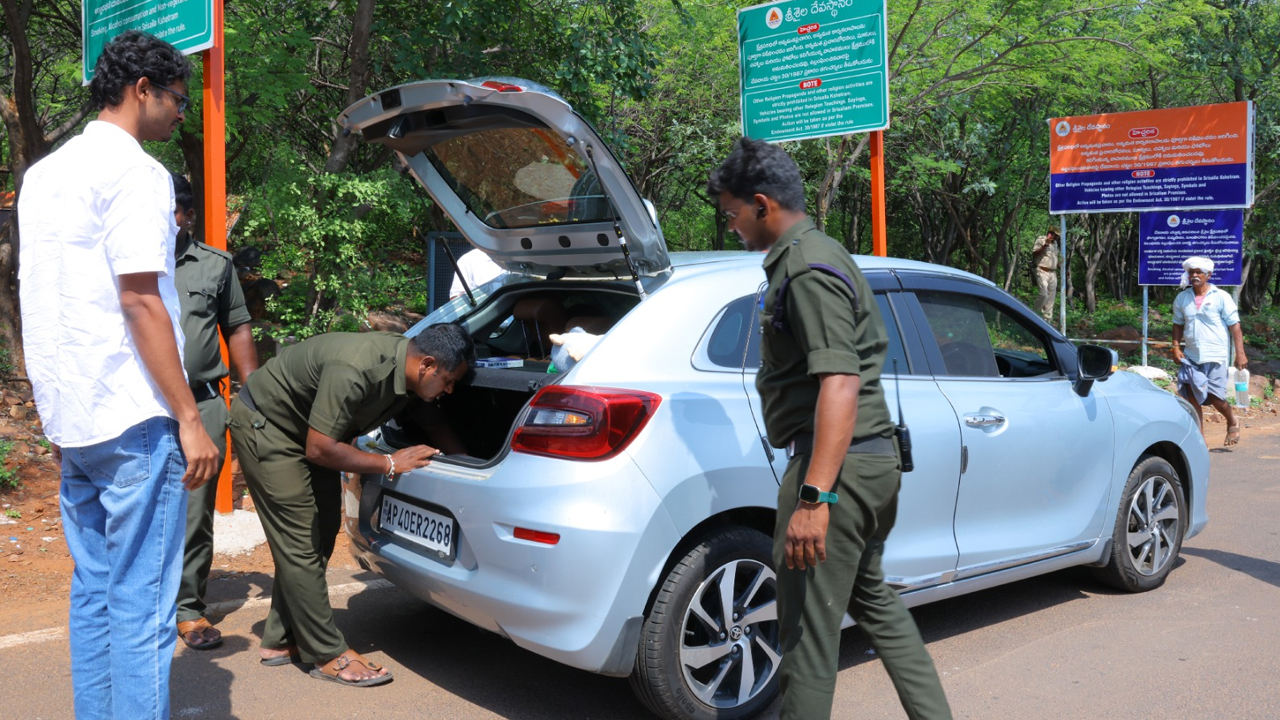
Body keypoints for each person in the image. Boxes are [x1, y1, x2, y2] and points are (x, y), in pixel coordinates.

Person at [707, 137, 951, 720]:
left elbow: (838, 382)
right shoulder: (820, 254)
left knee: (807, 636)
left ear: (762, 204)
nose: (732, 226)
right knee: (873, 601)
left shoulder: (808, 269)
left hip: (834, 468)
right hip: (868, 462)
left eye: (733, 214)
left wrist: (815, 497)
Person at [16, 31, 219, 719]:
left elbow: (36, 296)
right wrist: (190, 416)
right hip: (134, 419)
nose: (181, 114)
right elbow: (138, 298)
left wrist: (53, 408)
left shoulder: (42, 175)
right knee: (142, 608)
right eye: (177, 99)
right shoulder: (137, 174)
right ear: (142, 91)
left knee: (96, 592)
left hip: (76, 419)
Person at [229, 325, 474, 686]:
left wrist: (467, 466)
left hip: (316, 435)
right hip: (270, 429)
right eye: (449, 380)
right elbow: (320, 449)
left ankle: (282, 638)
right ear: (427, 364)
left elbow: (432, 420)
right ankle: (327, 653)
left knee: (323, 531)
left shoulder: (409, 375)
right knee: (300, 541)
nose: (450, 390)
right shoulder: (357, 369)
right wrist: (390, 463)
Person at [171, 173, 260, 650]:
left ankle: (188, 609)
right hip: (143, 407)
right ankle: (138, 604)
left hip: (204, 401)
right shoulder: (127, 259)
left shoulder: (213, 266)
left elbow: (238, 329)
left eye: (173, 211)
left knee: (194, 510)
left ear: (187, 215)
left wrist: (252, 395)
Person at [1172, 256, 1248, 446]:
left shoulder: (1221, 296)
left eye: (1199, 272)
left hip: (1215, 354)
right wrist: (1175, 346)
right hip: (1191, 355)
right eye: (1192, 272)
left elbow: (1235, 326)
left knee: (1215, 397)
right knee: (1190, 396)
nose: (1195, 275)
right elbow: (1178, 324)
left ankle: (1232, 420)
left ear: (1208, 275)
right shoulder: (1182, 298)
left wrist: (1240, 353)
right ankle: (1200, 440)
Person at [1031, 227, 1060, 320]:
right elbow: (1034, 253)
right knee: (1044, 295)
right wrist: (1045, 245)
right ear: (1050, 233)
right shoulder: (1041, 239)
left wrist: (1062, 267)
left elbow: (1054, 258)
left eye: (1057, 236)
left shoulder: (1055, 244)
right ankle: (1033, 315)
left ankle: (1047, 320)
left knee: (1051, 298)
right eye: (1055, 235)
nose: (1056, 237)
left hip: (1052, 273)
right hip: (1042, 271)